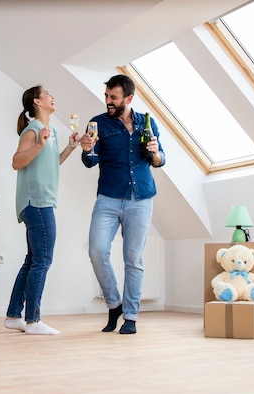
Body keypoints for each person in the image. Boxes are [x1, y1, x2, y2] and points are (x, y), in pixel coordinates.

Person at [79, 74, 165, 335]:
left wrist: (155, 151)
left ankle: (130, 316)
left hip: (141, 200)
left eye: (113, 97)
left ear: (128, 98)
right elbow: (90, 162)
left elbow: (159, 161)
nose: (108, 101)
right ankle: (114, 303)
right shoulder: (98, 123)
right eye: (106, 96)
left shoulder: (146, 124)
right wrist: (86, 149)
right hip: (108, 199)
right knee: (96, 251)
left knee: (133, 259)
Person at [4, 85, 79, 335]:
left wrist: (69, 147)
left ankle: (14, 316)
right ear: (37, 101)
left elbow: (52, 164)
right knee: (43, 261)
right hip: (36, 202)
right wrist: (37, 145)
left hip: (40, 201)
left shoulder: (51, 131)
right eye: (47, 93)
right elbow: (17, 162)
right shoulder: (32, 130)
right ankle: (33, 321)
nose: (52, 95)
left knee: (33, 260)